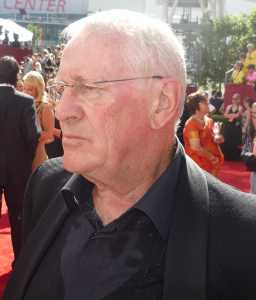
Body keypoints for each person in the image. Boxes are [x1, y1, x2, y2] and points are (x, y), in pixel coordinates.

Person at [4, 10, 256, 300]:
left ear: (162, 102)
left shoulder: (245, 237)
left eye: (87, 88)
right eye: (61, 89)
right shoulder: (46, 185)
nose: (62, 112)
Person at [0, 56, 40, 260]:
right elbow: (33, 135)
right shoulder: (26, 101)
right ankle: (21, 264)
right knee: (19, 218)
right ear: (17, 76)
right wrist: (24, 159)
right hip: (19, 170)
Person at [183, 92, 224, 177]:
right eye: (205, 103)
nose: (208, 104)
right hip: (199, 167)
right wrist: (211, 157)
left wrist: (219, 138)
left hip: (213, 164)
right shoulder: (191, 124)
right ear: (197, 105)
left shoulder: (209, 121)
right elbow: (196, 147)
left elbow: (215, 137)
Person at [23, 71, 55, 171]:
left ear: (39, 89)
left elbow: (49, 134)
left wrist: (29, 134)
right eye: (24, 88)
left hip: (37, 155)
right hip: (22, 154)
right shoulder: (23, 104)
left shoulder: (45, 107)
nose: (25, 92)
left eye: (30, 89)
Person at [222, 93, 243, 160]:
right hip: (228, 126)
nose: (234, 100)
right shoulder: (229, 106)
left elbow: (238, 115)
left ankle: (235, 157)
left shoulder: (240, 107)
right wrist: (233, 115)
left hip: (236, 127)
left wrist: (230, 115)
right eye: (233, 98)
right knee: (227, 140)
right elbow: (225, 115)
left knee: (235, 141)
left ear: (239, 100)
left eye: (236, 99)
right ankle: (226, 156)